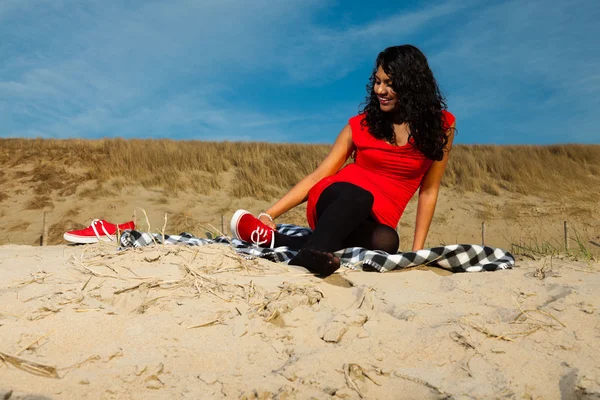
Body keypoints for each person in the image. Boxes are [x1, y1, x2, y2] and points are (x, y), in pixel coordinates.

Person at [230, 45, 456, 276]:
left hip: (376, 218)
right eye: (378, 81)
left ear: (412, 84)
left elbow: (429, 190)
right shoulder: (360, 125)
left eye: (390, 83)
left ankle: (277, 240)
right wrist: (269, 214)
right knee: (360, 196)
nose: (380, 89)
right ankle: (311, 253)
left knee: (387, 242)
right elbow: (320, 175)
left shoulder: (441, 127)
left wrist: (416, 254)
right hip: (336, 199)